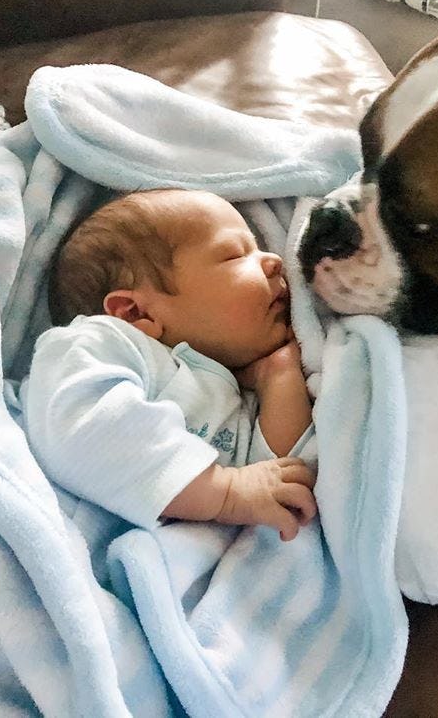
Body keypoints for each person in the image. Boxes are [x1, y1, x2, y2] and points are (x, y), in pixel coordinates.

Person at [22, 188, 317, 542]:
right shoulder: (101, 343)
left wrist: (280, 377)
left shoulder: (229, 383)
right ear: (134, 313)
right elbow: (84, 428)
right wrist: (225, 492)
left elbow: (279, 479)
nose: (273, 260)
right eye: (235, 254)